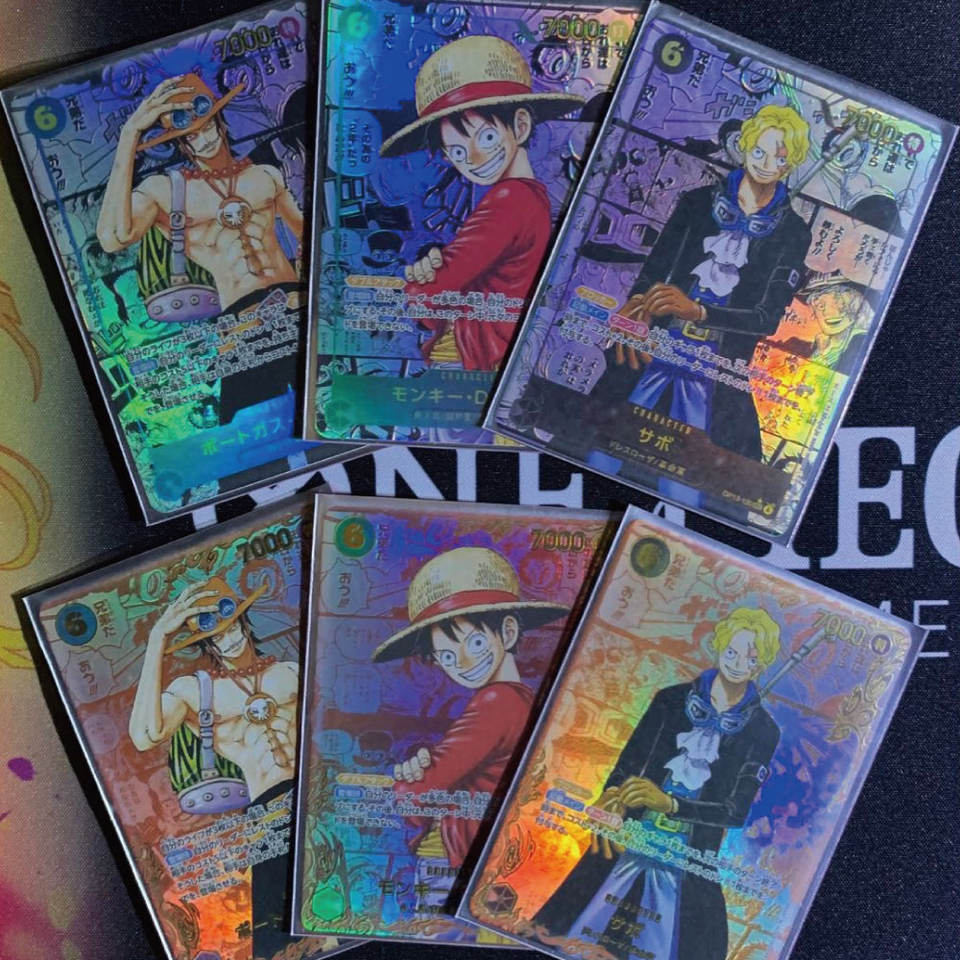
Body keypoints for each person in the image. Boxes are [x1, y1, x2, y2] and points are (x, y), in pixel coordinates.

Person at [534, 607, 782, 960]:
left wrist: (670, 804)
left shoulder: (763, 730)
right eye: (732, 652)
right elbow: (629, 762)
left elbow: (735, 811)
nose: (738, 663)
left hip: (688, 859)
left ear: (761, 665)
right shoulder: (670, 699)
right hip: (627, 839)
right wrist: (612, 795)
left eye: (750, 658)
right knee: (570, 931)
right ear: (719, 647)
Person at [592, 105, 812, 493]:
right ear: (744, 148)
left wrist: (698, 311)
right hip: (655, 347)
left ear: (790, 163)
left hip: (718, 367)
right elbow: (655, 268)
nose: (766, 165)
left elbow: (765, 318)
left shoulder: (792, 232)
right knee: (598, 452)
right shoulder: (696, 203)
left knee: (694, 488)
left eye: (779, 158)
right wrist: (637, 306)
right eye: (758, 152)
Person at [96, 73, 305, 423]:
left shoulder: (264, 174)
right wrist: (130, 134)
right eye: (191, 136)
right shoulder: (166, 191)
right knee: (249, 434)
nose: (204, 140)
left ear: (220, 122)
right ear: (180, 143)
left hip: (295, 308)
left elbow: (306, 236)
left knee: (337, 412)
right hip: (242, 326)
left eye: (207, 127)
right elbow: (113, 237)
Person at [379, 35, 584, 373]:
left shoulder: (510, 200)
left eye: (487, 137)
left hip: (472, 355)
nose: (474, 159)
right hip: (491, 352)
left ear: (520, 125)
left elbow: (427, 299)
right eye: (458, 152)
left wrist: (422, 281)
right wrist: (434, 269)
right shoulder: (531, 195)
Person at [128, 577, 299, 960]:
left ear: (243, 622)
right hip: (268, 812)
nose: (230, 640)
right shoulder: (197, 690)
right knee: (280, 937)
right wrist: (157, 638)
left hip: (313, 797)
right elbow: (144, 735)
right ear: (207, 644)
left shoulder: (289, 672)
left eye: (232, 627)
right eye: (217, 636)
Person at [372, 546, 569, 875]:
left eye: (475, 643)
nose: (462, 664)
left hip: (462, 859)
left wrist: (409, 781)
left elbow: (415, 795)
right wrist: (423, 769)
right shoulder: (522, 699)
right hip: (493, 854)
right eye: (447, 657)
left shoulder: (497, 703)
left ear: (508, 632)